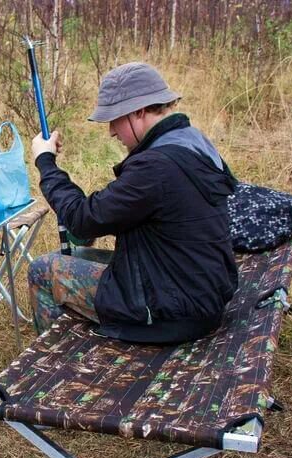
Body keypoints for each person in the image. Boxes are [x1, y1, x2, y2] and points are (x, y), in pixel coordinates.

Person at [29, 62, 238, 344]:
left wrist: (45, 161)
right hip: (199, 291)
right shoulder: (191, 142)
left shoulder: (156, 167)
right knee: (72, 258)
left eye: (115, 120)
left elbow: (82, 218)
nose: (112, 132)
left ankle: (55, 366)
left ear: (138, 111)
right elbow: (132, 213)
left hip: (174, 312)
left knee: (42, 270)